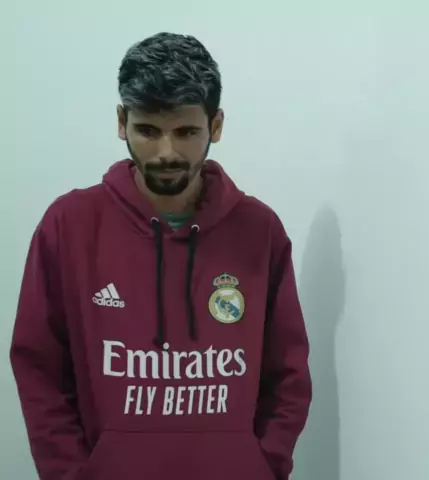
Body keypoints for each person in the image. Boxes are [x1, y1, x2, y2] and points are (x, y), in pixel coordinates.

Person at [10, 32, 312, 480]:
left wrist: (261, 467)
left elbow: (287, 376)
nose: (166, 153)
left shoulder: (259, 230)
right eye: (148, 131)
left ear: (215, 126)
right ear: (122, 122)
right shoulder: (68, 225)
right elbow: (40, 370)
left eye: (186, 132)